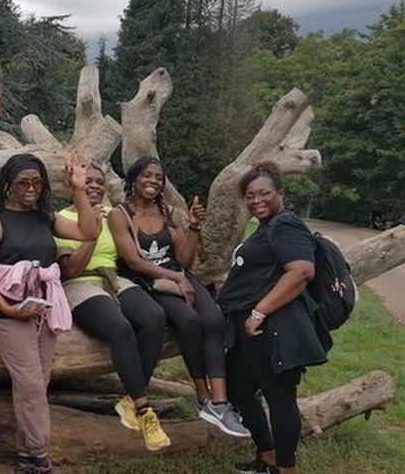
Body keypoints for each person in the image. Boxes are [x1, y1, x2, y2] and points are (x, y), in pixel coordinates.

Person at [0, 152, 99, 474]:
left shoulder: (47, 217)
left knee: (37, 383)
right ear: (8, 185)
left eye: (37, 182)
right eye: (23, 183)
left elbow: (89, 231)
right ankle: (38, 456)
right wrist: (5, 307)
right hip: (5, 312)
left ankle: (26, 455)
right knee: (30, 383)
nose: (31, 188)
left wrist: (78, 189)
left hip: (42, 307)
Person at [108, 156, 249, 437]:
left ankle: (219, 403)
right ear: (134, 179)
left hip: (178, 276)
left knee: (213, 318)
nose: (153, 181)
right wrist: (175, 278)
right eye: (147, 176)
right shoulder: (119, 215)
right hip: (150, 282)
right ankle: (201, 396)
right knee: (188, 320)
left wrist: (194, 227)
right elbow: (134, 262)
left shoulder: (169, 212)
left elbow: (184, 258)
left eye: (158, 177)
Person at [219, 161, 329, 474]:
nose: (256, 201)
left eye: (264, 193)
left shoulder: (285, 224)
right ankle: (267, 457)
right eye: (250, 196)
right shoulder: (268, 228)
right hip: (248, 330)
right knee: (238, 389)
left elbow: (302, 271)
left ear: (280, 193)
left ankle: (285, 468)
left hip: (273, 328)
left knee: (280, 398)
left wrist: (259, 311)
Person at [54, 162, 171, 451]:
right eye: (88, 181)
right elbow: (70, 270)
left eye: (99, 182)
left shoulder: (113, 216)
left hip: (114, 279)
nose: (94, 186)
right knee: (119, 327)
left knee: (155, 317)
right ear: (74, 186)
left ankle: (130, 398)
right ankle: (144, 410)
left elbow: (131, 253)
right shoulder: (60, 219)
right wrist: (90, 227)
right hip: (80, 283)